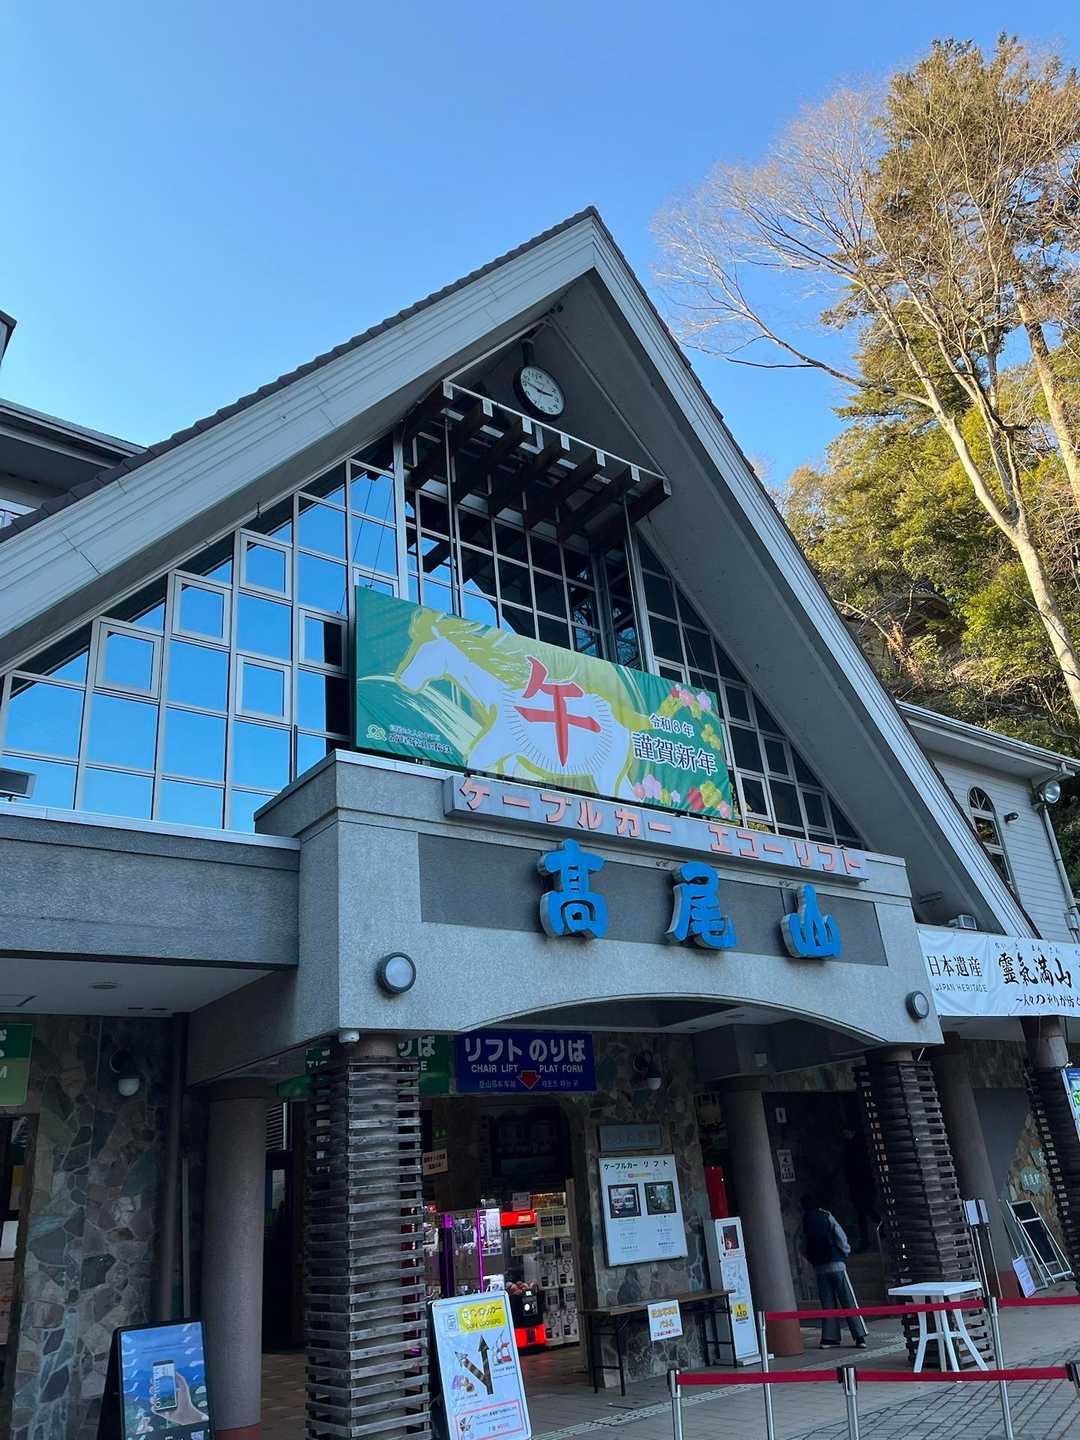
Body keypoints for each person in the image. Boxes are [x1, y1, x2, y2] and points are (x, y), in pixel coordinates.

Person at [800, 1193, 867, 1349]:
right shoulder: (826, 1215)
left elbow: (803, 1244)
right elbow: (839, 1235)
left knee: (827, 1303)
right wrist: (845, 1251)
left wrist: (811, 1260)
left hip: (819, 1267)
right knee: (848, 1300)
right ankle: (859, 1336)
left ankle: (829, 1338)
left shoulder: (806, 1219)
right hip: (836, 1263)